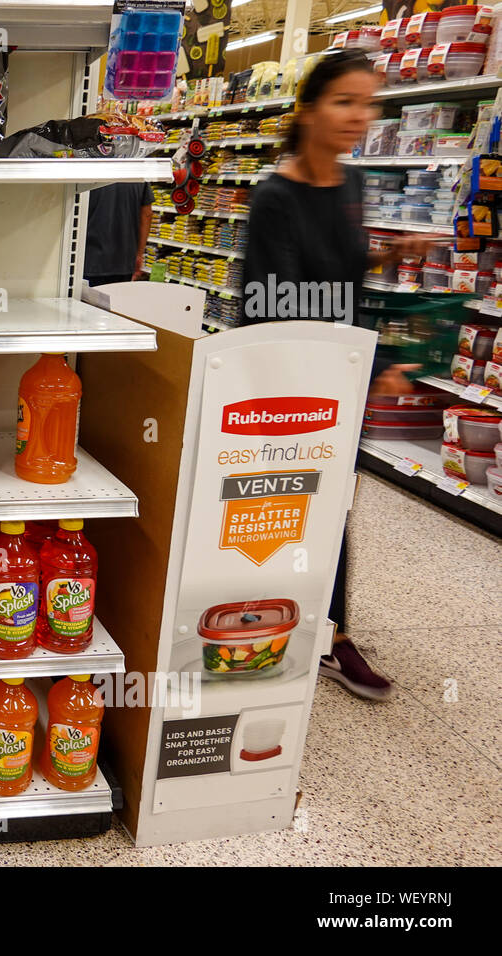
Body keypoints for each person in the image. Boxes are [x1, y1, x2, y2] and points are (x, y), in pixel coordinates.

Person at [242, 48, 427, 702]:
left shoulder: (351, 185)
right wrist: (372, 365)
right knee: (288, 506)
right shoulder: (274, 198)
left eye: (368, 102)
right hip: (289, 385)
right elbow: (272, 307)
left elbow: (340, 283)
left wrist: (383, 254)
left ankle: (331, 630)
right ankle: (276, 623)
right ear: (309, 109)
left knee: (332, 508)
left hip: (342, 378)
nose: (360, 116)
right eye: (345, 101)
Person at [83, 182, 153, 286]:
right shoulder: (139, 172)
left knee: (86, 301)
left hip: (90, 260)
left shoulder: (88, 169)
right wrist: (139, 254)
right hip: (125, 260)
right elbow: (147, 213)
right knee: (119, 300)